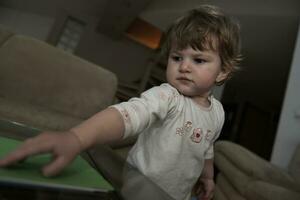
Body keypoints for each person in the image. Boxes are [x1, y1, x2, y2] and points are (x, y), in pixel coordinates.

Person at [0, 5, 241, 200]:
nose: (184, 66)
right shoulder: (168, 96)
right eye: (177, 57)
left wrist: (208, 178)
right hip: (140, 184)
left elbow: (206, 147)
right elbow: (129, 113)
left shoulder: (218, 112)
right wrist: (77, 137)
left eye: (198, 60)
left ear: (222, 72)